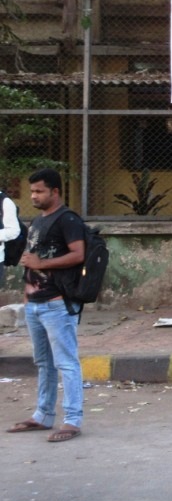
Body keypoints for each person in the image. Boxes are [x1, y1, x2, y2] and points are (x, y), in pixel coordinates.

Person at [6, 168, 86, 442]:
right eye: (32, 191)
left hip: (56, 303)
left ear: (55, 191)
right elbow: (30, 261)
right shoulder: (39, 221)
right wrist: (26, 294)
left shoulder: (68, 220)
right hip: (34, 304)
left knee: (66, 363)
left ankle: (72, 420)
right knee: (43, 362)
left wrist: (42, 265)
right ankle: (43, 415)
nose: (34, 196)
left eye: (39, 191)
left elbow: (78, 254)